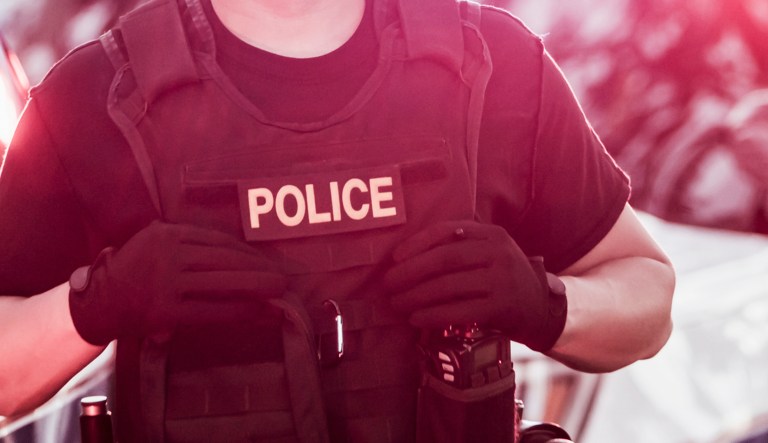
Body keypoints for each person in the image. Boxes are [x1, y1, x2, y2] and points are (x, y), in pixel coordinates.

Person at [0, 0, 675, 441]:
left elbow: (649, 297)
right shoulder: (95, 98)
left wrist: (546, 304)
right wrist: (96, 304)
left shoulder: (496, 67)